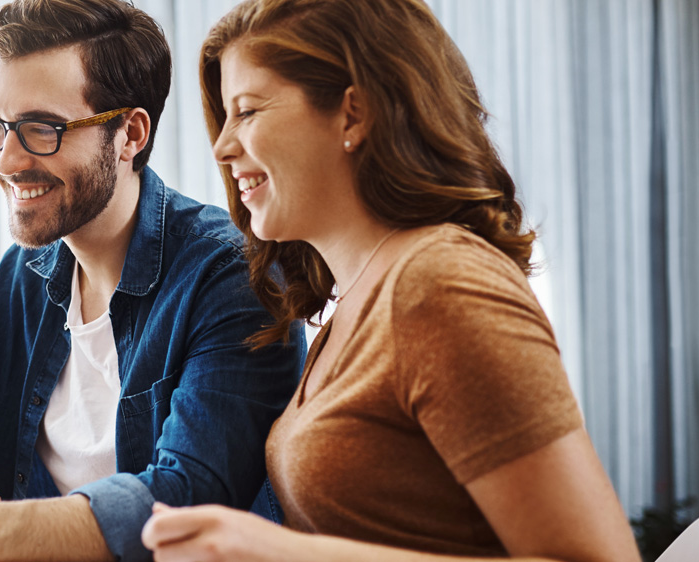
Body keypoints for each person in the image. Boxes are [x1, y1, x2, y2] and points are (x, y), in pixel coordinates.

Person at [141, 0, 641, 561]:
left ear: (353, 114)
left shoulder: (440, 285)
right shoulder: (355, 299)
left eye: (249, 110)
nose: (222, 146)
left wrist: (278, 553)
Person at [0, 1, 305, 560]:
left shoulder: (229, 276)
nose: (7, 161)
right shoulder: (22, 276)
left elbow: (186, 496)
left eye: (41, 129)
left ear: (129, 135)